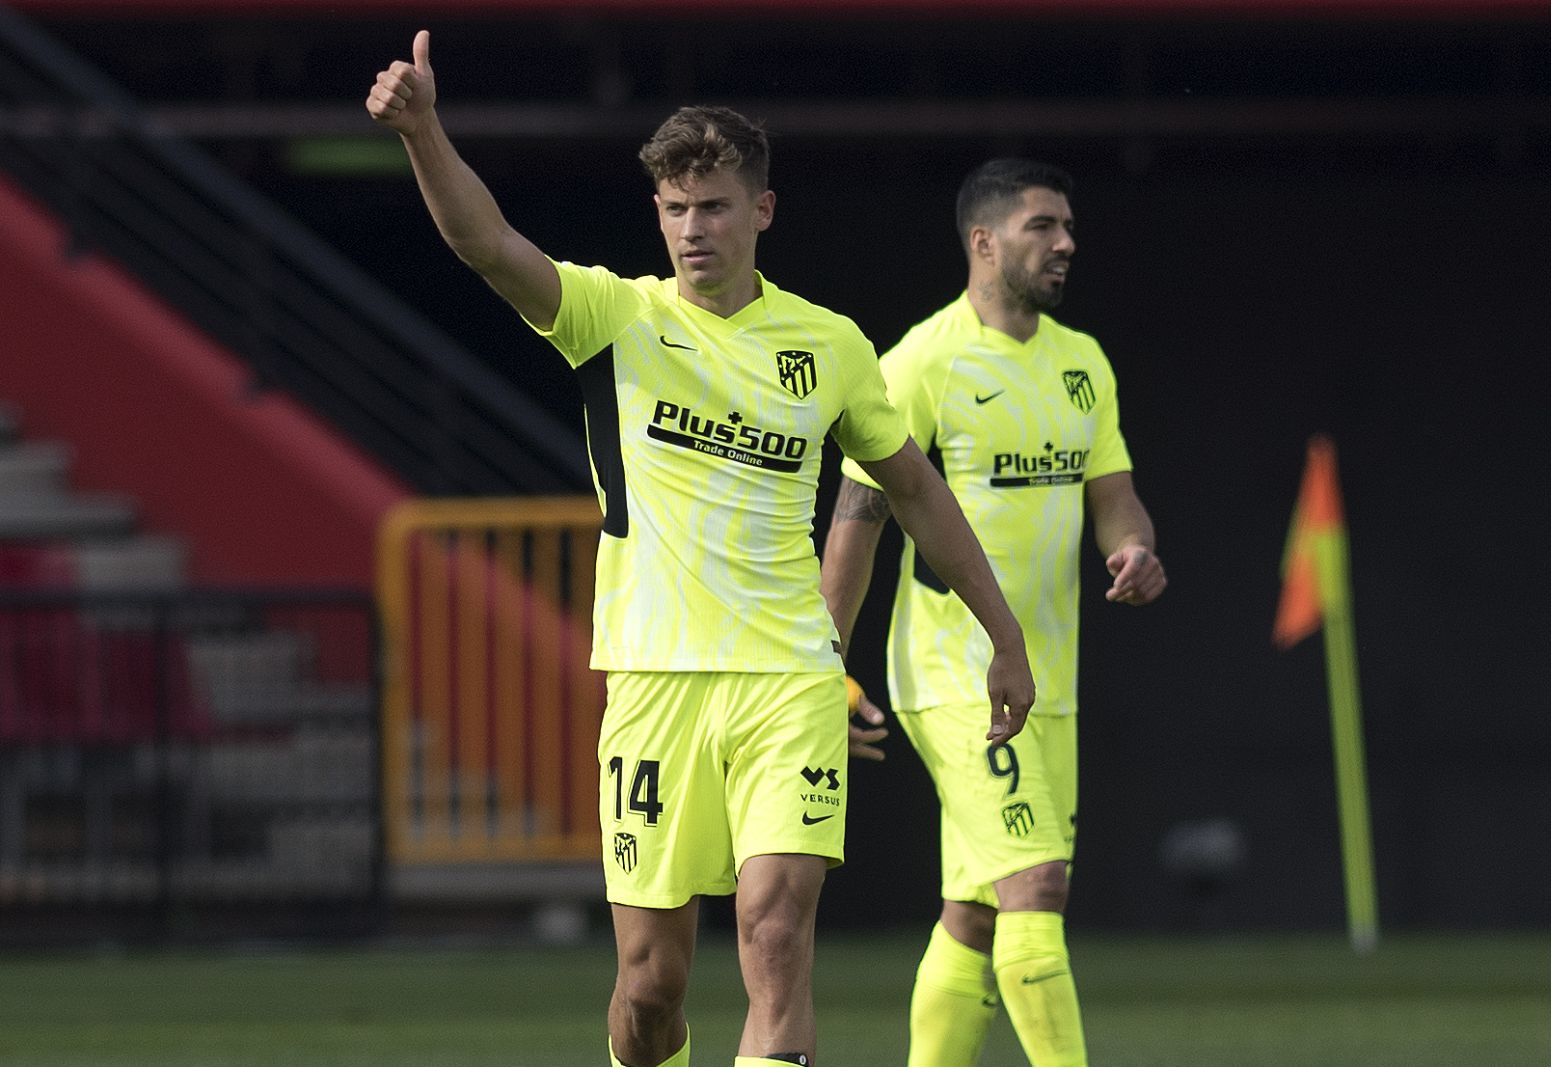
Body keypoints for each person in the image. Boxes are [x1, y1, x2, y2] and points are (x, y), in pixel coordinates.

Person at [366, 33, 1036, 1067]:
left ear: (761, 210)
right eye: (675, 209)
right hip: (652, 679)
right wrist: (422, 130)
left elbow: (913, 489)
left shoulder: (831, 346)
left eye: (714, 205)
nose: (692, 228)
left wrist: (1005, 635)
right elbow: (486, 245)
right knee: (649, 987)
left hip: (788, 676)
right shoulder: (615, 317)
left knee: (774, 930)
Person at [820, 158, 1166, 1067]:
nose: (1065, 243)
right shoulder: (923, 361)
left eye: (1067, 227)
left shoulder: (1081, 363)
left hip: (1049, 676)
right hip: (952, 673)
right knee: (1036, 882)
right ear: (984, 241)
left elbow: (1114, 496)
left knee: (974, 911)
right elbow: (857, 521)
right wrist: (826, 667)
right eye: (1042, 226)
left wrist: (1130, 549)